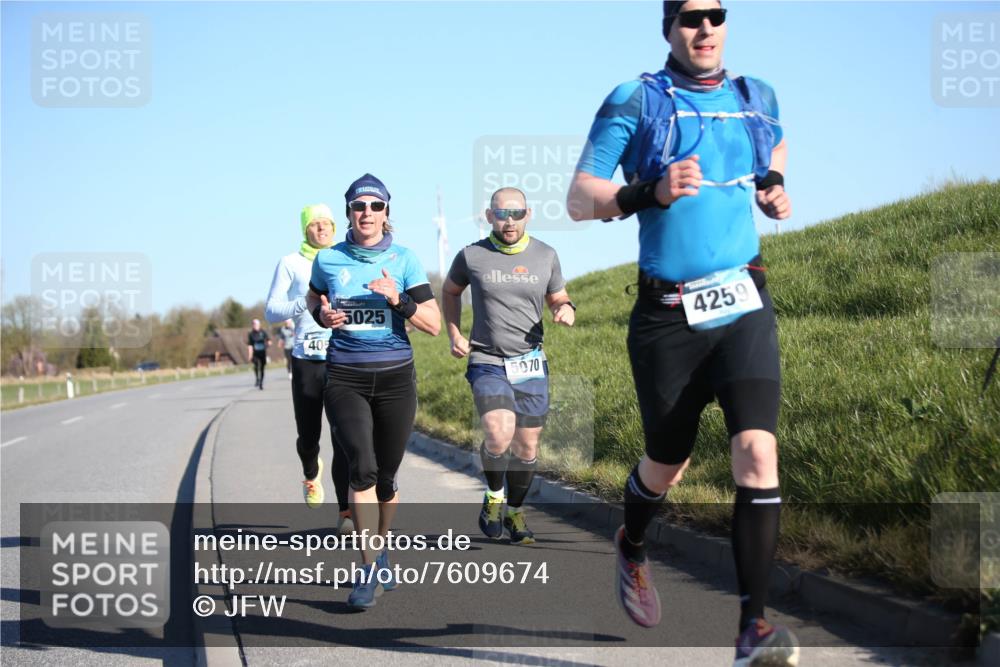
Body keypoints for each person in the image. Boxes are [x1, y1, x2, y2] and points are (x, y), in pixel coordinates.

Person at [566, 2, 798, 665]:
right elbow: (580, 197)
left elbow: (772, 141)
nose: (705, 29)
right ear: (669, 27)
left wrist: (773, 183)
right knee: (668, 461)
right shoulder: (637, 99)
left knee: (757, 452)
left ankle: (752, 631)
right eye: (691, 17)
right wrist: (650, 192)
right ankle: (632, 543)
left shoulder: (756, 96)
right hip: (667, 317)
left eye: (716, 15)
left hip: (744, 300)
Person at [306, 173, 440, 610]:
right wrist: (323, 317)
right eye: (359, 206)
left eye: (376, 206)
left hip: (397, 379)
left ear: (387, 213)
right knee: (361, 469)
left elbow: (433, 325)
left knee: (386, 477)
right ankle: (367, 569)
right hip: (345, 376)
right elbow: (314, 299)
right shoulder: (328, 260)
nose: (367, 213)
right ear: (348, 212)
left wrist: (398, 300)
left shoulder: (405, 260)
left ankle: (381, 550)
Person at [442, 187, 575, 546]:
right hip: (487, 359)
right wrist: (454, 333)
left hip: (529, 361)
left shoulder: (545, 255)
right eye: (502, 214)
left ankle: (516, 513)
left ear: (528, 214)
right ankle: (494, 496)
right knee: (499, 432)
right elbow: (450, 291)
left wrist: (565, 309)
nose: (510, 220)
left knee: (527, 447)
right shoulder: (472, 256)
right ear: (489, 216)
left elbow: (558, 295)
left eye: (517, 213)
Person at [265, 204, 353, 533]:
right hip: (306, 358)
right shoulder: (290, 263)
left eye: (326, 224)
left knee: (343, 436)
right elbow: (272, 310)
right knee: (309, 437)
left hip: (342, 355)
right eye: (314, 225)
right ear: (305, 230)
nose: (321, 230)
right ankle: (310, 470)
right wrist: (308, 301)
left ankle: (345, 512)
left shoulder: (345, 258)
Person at [247, 319, 270, 390]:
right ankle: (257, 378)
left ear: (259, 325)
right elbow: (250, 345)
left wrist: (268, 344)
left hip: (262, 352)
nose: (255, 326)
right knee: (256, 366)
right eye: (253, 324)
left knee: (262, 367)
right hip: (255, 353)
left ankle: (261, 382)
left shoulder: (263, 332)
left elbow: (269, 340)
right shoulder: (251, 334)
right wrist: (250, 355)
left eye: (256, 324)